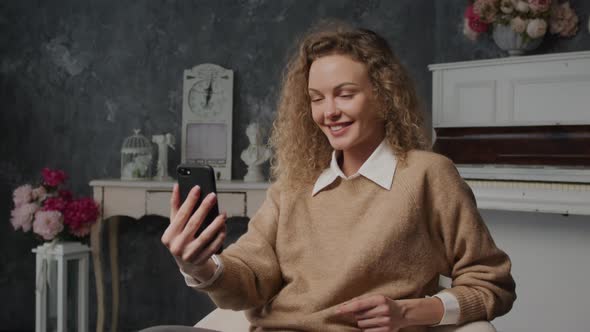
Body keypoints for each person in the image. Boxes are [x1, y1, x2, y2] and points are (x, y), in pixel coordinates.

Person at [154, 24, 516, 332]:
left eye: (345, 94)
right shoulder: (293, 186)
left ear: (383, 95)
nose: (329, 112)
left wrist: (408, 312)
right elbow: (248, 277)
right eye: (316, 98)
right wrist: (199, 266)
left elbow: (492, 283)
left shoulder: (427, 175)